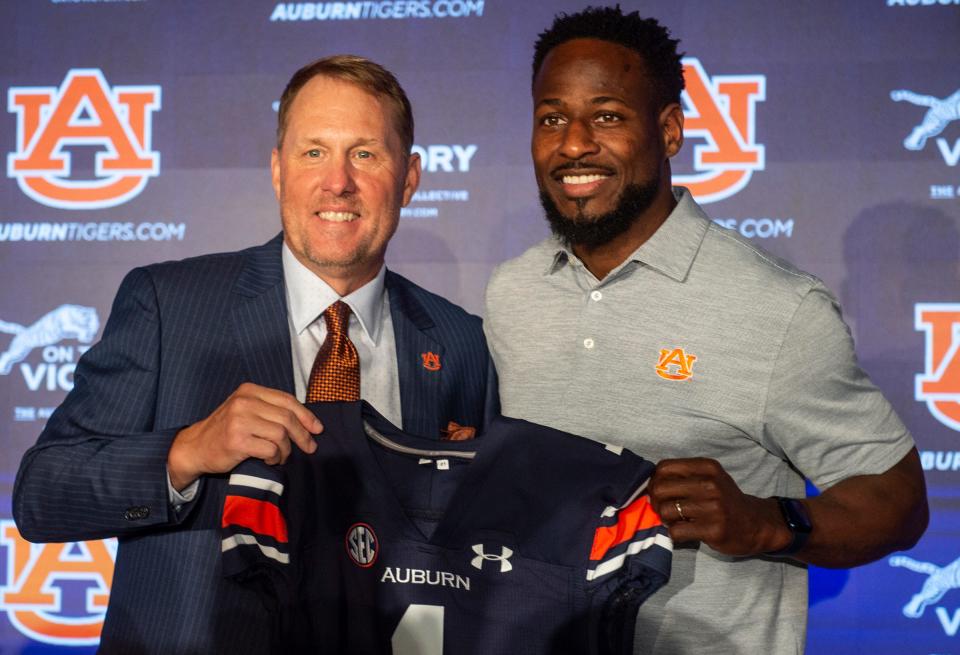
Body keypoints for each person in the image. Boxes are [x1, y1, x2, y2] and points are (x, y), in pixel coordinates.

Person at [13, 55, 496, 655]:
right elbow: (41, 494)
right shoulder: (169, 304)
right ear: (277, 170)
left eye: (366, 154)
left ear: (411, 176)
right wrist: (188, 450)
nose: (338, 181)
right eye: (313, 152)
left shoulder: (461, 342)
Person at [483, 7, 928, 654]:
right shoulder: (512, 292)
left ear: (669, 131)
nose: (573, 143)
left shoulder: (779, 308)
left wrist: (767, 521)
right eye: (552, 117)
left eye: (607, 115)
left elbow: (900, 500)